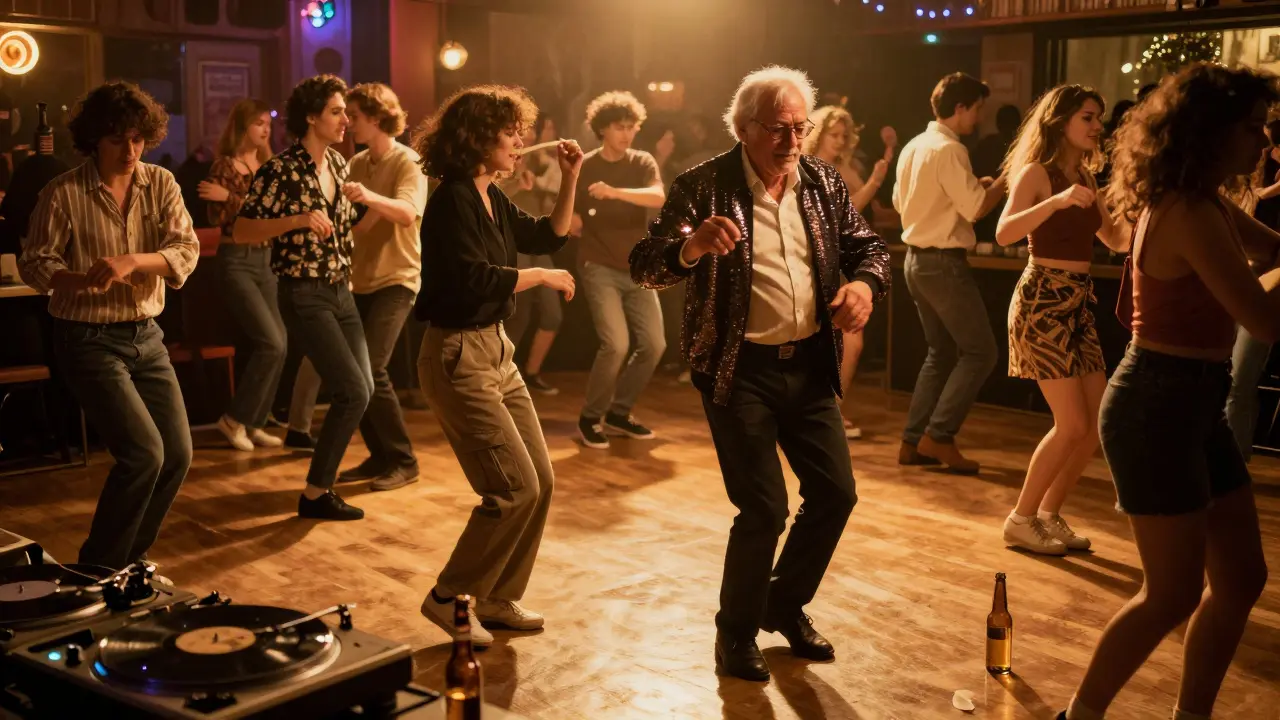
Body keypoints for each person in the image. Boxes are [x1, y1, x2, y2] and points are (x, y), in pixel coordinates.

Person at [630, 66, 891, 682]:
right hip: (737, 370)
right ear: (744, 128)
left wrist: (864, 284)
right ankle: (735, 634)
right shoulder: (703, 185)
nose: (793, 140)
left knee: (835, 494)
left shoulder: (823, 184)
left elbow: (869, 249)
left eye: (802, 127)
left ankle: (783, 603)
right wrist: (690, 250)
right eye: (779, 128)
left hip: (807, 365)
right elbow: (646, 264)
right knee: (764, 509)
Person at [1058, 64, 1280, 720]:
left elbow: (1273, 253)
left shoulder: (1205, 200)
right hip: (1156, 406)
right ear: (1210, 132)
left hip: (1195, 401)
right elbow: (1263, 317)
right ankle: (1079, 716)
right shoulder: (1186, 208)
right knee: (1172, 594)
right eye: (1252, 127)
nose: (1264, 140)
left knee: (1241, 579)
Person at [412, 85, 582, 646]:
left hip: (497, 351)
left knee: (542, 482)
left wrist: (570, 176)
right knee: (513, 489)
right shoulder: (453, 199)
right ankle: (448, 597)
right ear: (479, 138)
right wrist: (539, 278)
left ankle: (496, 596)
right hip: (458, 356)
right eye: (510, 132)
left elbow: (549, 237)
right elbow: (473, 277)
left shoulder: (489, 196)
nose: (520, 141)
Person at [19, 81, 199, 569]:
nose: (130, 150)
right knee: (143, 455)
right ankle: (98, 569)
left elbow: (187, 250)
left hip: (147, 336)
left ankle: (127, 562)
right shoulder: (62, 193)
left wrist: (131, 262)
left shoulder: (159, 183)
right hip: (88, 339)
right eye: (119, 139)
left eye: (139, 139)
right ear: (95, 138)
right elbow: (34, 263)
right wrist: (77, 279)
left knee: (177, 455)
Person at [993, 85, 1127, 555]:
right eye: (1088, 117)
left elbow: (1116, 241)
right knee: (1070, 425)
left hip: (1077, 305)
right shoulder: (1038, 173)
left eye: (1098, 119)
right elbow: (1005, 231)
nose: (1097, 127)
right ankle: (1020, 519)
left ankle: (1048, 516)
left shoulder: (1089, 180)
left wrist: (1140, 205)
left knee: (1093, 427)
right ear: (1061, 121)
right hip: (1041, 301)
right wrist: (1054, 201)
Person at [234, 75, 370, 521]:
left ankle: (317, 492)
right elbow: (243, 230)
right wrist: (296, 219)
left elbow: (346, 226)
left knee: (362, 390)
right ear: (311, 117)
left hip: (341, 290)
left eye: (345, 112)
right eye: (336, 112)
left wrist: (363, 204)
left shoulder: (340, 164)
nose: (346, 120)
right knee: (350, 390)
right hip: (303, 292)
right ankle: (315, 492)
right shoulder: (280, 169)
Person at [285, 83, 428, 492]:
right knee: (355, 376)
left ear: (378, 118)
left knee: (374, 370)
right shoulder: (356, 161)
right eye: (343, 114)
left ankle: (403, 459)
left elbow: (406, 213)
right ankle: (380, 455)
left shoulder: (407, 161)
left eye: (357, 116)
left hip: (396, 279)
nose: (349, 122)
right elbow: (358, 225)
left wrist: (368, 196)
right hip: (357, 282)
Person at [893, 72, 1008, 474]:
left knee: (940, 354)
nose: (978, 118)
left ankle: (912, 442)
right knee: (981, 352)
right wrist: (1003, 183)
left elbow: (902, 200)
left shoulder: (914, 146)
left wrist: (976, 186)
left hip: (914, 259)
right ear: (960, 108)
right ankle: (939, 436)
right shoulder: (950, 149)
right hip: (943, 263)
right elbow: (976, 209)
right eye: (976, 110)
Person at [572, 91, 667, 449]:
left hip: (637, 266)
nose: (626, 134)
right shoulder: (587, 165)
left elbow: (657, 197)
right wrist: (573, 220)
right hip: (598, 263)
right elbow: (571, 213)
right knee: (615, 344)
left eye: (631, 127)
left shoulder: (642, 161)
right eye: (619, 127)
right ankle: (590, 416)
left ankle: (619, 411)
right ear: (602, 129)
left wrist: (614, 193)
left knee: (655, 344)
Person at [803, 104, 895, 440]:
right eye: (834, 135)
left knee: (849, 341)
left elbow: (865, 206)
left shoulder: (843, 166)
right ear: (818, 133)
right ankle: (823, 414)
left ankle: (829, 412)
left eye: (845, 136)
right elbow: (847, 210)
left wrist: (879, 177)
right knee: (830, 340)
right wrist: (875, 179)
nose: (840, 141)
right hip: (818, 263)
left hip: (842, 262)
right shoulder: (810, 166)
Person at [199, 98, 286, 453]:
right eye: (258, 123)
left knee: (280, 345)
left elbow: (278, 209)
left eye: (268, 123)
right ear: (242, 126)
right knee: (272, 342)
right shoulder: (224, 165)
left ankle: (253, 421)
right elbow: (215, 218)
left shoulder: (268, 164)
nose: (265, 129)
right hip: (236, 258)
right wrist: (234, 199)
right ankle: (235, 419)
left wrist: (232, 197)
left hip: (266, 258)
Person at [1224, 117, 1280, 460]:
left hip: (1264, 292)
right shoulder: (1245, 187)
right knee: (1227, 380)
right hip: (1235, 284)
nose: (1265, 147)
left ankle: (1233, 467)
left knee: (1238, 381)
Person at [502, 112, 565, 395]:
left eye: (528, 132)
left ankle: (531, 372)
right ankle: (503, 376)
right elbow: (490, 202)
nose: (523, 138)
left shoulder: (545, 164)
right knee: (518, 314)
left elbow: (556, 200)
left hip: (537, 244)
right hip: (512, 246)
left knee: (552, 314)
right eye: (518, 131)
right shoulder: (502, 163)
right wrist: (517, 183)